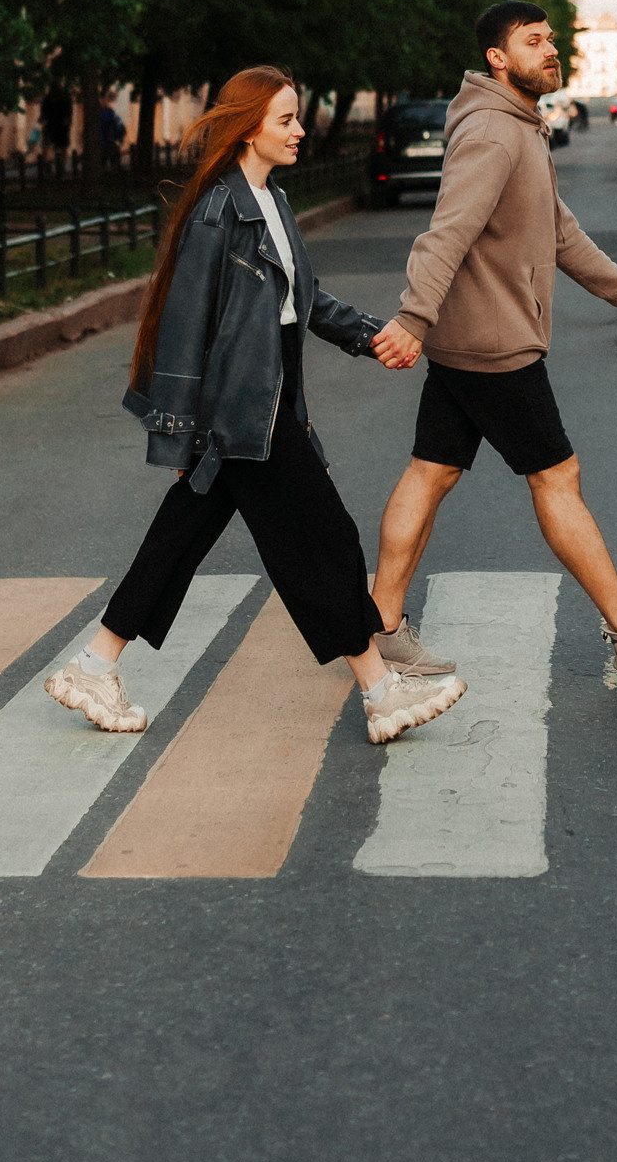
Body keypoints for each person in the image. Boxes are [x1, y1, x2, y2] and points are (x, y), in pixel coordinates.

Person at [45, 66, 467, 747]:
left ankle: (94, 665)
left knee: (179, 542)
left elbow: (303, 301)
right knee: (325, 540)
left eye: (298, 118)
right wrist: (182, 436)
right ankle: (380, 690)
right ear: (248, 129)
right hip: (242, 415)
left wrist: (370, 336)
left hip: (270, 400)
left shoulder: (273, 201)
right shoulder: (219, 212)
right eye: (286, 120)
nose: (300, 130)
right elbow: (184, 327)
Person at [368, 2, 617, 681]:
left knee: (430, 471)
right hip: (495, 342)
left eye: (551, 40)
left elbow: (559, 234)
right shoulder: (496, 134)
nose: (550, 50)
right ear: (499, 57)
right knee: (556, 475)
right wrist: (412, 317)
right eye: (534, 41)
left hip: (470, 338)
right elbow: (447, 231)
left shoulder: (520, 126)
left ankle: (379, 627)